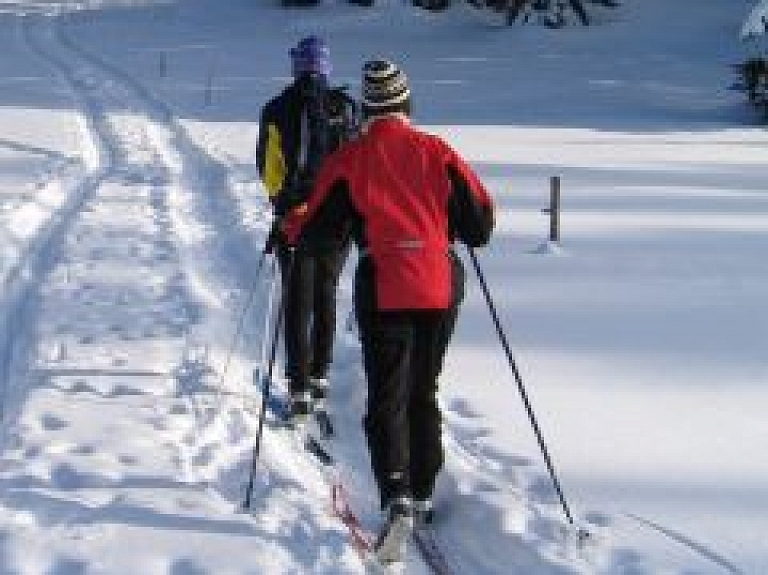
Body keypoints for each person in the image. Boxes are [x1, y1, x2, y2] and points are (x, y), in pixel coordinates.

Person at [283, 59, 495, 564]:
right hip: (439, 281)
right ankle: (422, 488)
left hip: (385, 281)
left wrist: (285, 228)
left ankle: (396, 492)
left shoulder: (352, 158)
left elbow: (317, 227)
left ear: (368, 108)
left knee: (387, 393)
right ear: (406, 103)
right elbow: (481, 223)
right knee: (424, 386)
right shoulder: (438, 152)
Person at [257, 36, 351, 425]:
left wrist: (283, 204)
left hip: (296, 217)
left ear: (296, 66)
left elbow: (269, 167)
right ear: (327, 67)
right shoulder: (346, 109)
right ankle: (320, 375)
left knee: (297, 300)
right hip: (338, 221)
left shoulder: (277, 108)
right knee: (326, 292)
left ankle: (298, 388)